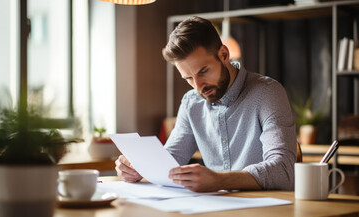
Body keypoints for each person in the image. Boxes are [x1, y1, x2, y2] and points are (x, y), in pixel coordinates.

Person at [115, 16, 297, 192]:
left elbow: (283, 170)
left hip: (268, 211)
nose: (198, 86)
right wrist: (137, 168)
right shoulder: (191, 102)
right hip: (214, 211)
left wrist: (219, 180)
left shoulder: (267, 93)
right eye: (188, 78)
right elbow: (170, 161)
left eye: (203, 71)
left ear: (224, 55)